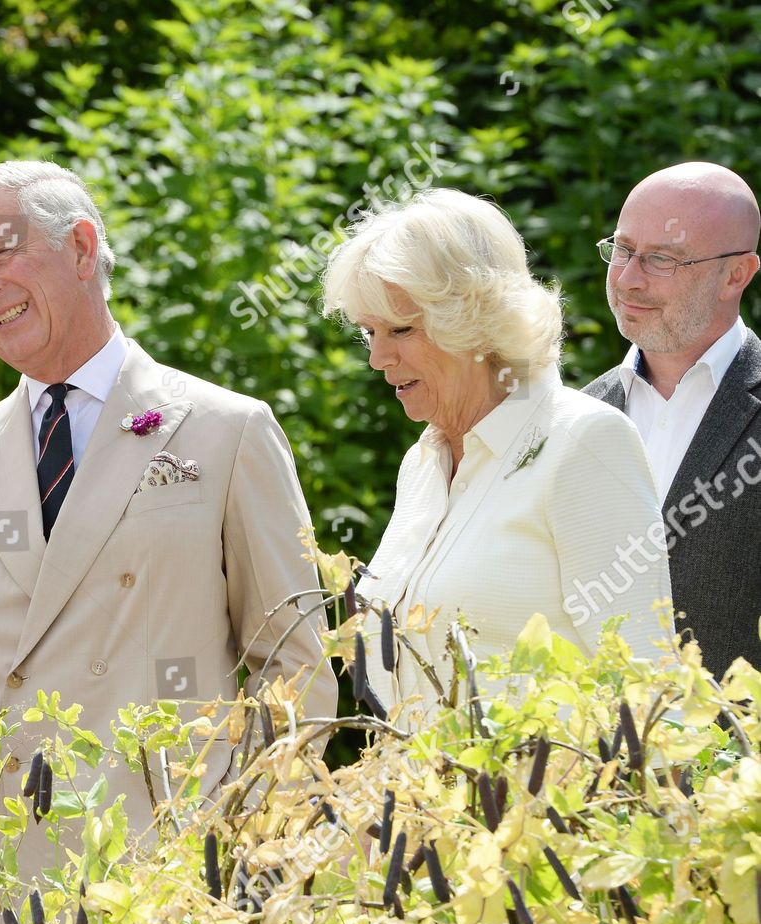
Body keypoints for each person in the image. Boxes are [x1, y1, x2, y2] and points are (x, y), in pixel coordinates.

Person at [0, 159, 337, 924]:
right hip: (0, 908)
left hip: (180, 904)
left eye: (1, 255)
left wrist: (247, 860)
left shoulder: (226, 430)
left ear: (82, 247)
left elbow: (295, 670)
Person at [322, 188, 673, 722]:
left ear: (476, 319)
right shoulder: (423, 463)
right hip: (418, 801)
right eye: (369, 331)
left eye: (400, 329)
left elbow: (649, 692)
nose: (376, 357)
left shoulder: (583, 442)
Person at [584, 162, 761, 674]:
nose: (628, 279)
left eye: (662, 259)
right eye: (622, 249)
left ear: (736, 275)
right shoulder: (574, 418)